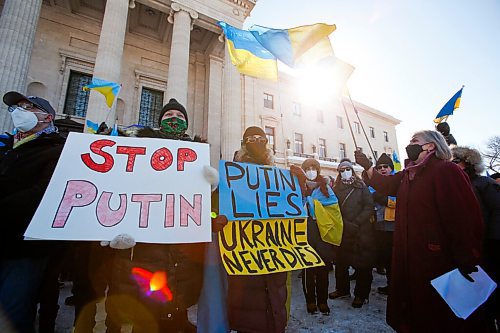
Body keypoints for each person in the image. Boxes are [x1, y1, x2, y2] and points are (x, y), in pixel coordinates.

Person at [100, 98, 218, 333]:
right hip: (146, 252)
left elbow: (204, 211)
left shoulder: (196, 155)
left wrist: (210, 189)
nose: (174, 118)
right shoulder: (141, 150)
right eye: (168, 115)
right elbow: (119, 190)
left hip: (182, 256)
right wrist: (109, 230)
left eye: (180, 116)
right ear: (159, 121)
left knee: (175, 313)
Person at [355, 130, 489, 332]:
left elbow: (463, 217)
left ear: (431, 146)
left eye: (414, 141)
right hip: (410, 255)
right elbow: (387, 184)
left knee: (437, 315)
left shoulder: (446, 170)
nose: (410, 145)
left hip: (438, 259)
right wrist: (368, 167)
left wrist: (467, 256)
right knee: (413, 310)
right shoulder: (409, 174)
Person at [0, 91, 65, 333]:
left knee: (12, 312)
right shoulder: (5, 145)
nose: (19, 112)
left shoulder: (57, 150)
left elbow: (42, 192)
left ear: (47, 117)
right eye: (17, 107)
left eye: (28, 107)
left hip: (25, 247)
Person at [227, 126, 288, 333]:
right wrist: (216, 220)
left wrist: (300, 186)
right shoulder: (230, 176)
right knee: (249, 318)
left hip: (273, 253)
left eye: (260, 138)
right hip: (245, 255)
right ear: (244, 143)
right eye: (250, 138)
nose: (256, 141)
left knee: (274, 309)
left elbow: (290, 212)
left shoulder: (278, 175)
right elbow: (217, 211)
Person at [451, 146, 500, 328]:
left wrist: (493, 242)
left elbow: (498, 211)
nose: (452, 166)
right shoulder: (452, 186)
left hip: (487, 246)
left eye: (456, 162)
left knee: (489, 293)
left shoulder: (485, 183)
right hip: (464, 246)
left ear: (469, 163)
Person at [328, 159, 375, 308]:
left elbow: (369, 206)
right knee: (341, 263)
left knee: (363, 265)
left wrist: (357, 222)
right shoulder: (335, 189)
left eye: (347, 169)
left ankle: (361, 295)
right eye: (341, 170)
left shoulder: (361, 186)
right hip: (343, 230)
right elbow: (331, 208)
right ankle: (342, 289)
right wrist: (343, 223)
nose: (345, 172)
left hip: (361, 232)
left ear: (352, 170)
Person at [292, 158, 335, 315]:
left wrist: (314, 205)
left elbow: (333, 208)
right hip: (305, 231)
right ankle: (310, 300)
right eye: (307, 168)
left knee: (323, 268)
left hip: (322, 233)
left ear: (318, 170)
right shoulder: (298, 187)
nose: (311, 170)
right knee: (308, 269)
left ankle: (322, 301)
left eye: (313, 168)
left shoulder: (326, 188)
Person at [372, 153, 396, 295]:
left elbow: (399, 201)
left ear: (391, 168)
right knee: (386, 258)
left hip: (394, 225)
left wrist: (386, 200)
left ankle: (397, 285)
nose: (382, 169)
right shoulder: (376, 184)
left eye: (386, 166)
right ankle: (390, 284)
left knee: (395, 259)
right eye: (379, 167)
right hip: (380, 225)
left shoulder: (398, 181)